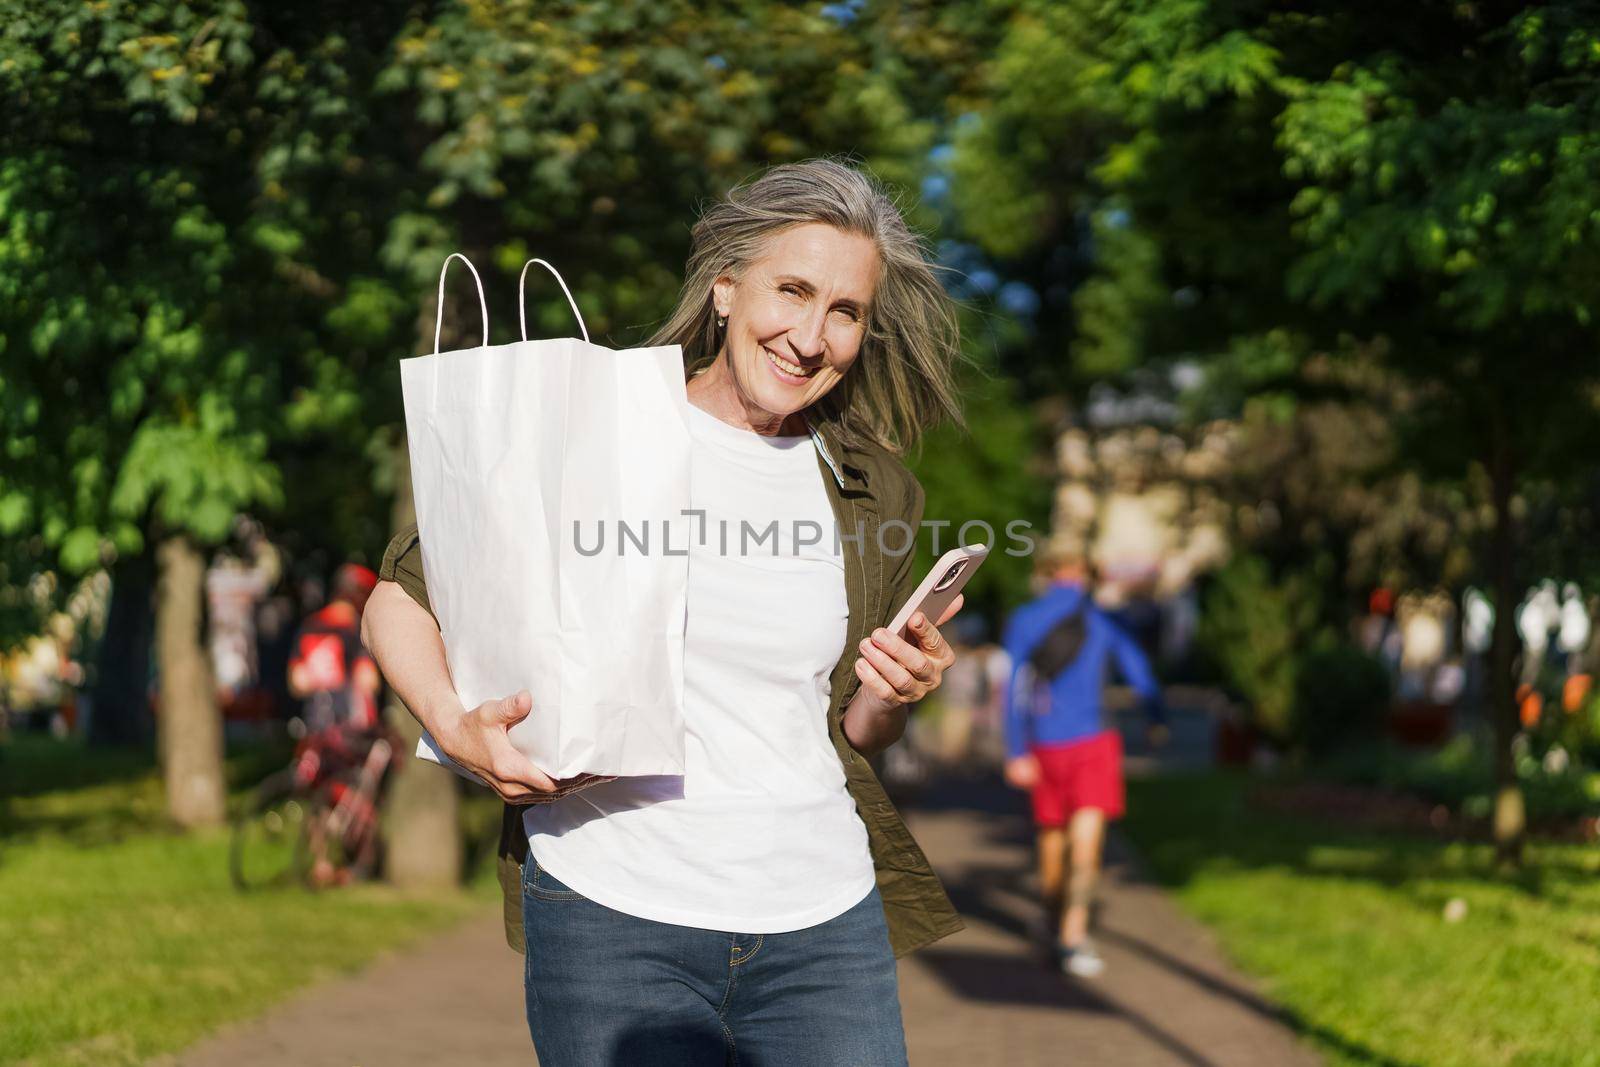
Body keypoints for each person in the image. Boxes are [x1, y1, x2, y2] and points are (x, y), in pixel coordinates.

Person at [362, 158, 970, 1066]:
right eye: (792, 291)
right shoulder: (596, 426)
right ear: (725, 289)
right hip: (612, 916)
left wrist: (897, 690)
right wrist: (456, 726)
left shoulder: (875, 488)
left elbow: (849, 726)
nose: (811, 335)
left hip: (822, 923)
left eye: (845, 312)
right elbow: (396, 602)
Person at [1000, 541, 1165, 979]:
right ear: (1086, 572)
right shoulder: (1104, 619)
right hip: (1094, 742)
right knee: (1087, 848)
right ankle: (1071, 937)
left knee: (1052, 843)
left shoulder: (1024, 619)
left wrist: (1016, 750)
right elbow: (1138, 671)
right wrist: (1156, 716)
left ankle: (1059, 927)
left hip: (1045, 746)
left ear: (1047, 570)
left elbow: (1013, 688)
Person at [287, 563, 382, 736]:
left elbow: (298, 681)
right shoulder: (355, 629)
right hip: (351, 729)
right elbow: (368, 679)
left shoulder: (309, 626)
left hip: (315, 725)